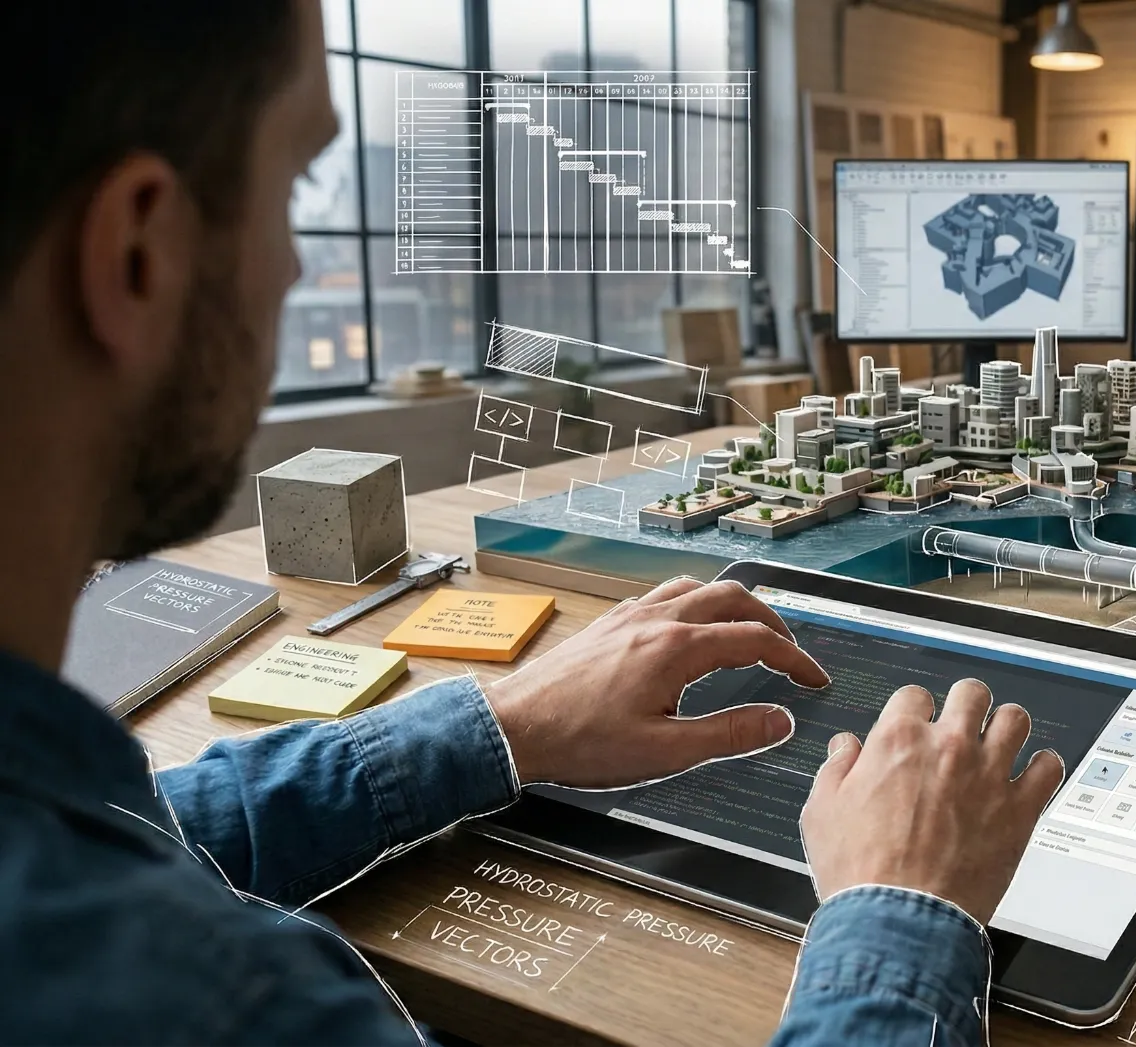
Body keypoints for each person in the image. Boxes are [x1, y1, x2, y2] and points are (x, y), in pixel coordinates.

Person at [0, 3, 1065, 1044]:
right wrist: (903, 911)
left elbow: (155, 826)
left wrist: (497, 726)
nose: (293, 266)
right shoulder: (205, 1003)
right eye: (291, 183)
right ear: (139, 251)